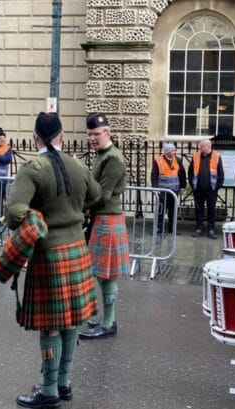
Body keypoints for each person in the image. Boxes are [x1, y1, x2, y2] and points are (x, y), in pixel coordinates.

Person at [4, 112, 101, 409]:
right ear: (60, 136)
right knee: (71, 320)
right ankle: (64, 382)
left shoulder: (33, 168)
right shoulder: (78, 164)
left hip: (49, 253)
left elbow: (13, 213)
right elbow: (95, 196)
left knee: (50, 325)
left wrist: (36, 218)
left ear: (36, 138)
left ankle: (48, 391)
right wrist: (73, 208)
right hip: (77, 250)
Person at [79, 112, 130, 340]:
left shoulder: (113, 158)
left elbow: (102, 195)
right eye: (89, 134)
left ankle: (108, 323)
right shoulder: (103, 155)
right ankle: (108, 319)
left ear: (107, 133)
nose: (92, 138)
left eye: (96, 134)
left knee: (106, 275)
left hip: (108, 219)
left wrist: (81, 206)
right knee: (102, 274)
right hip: (103, 218)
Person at [187, 138, 224, 239]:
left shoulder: (216, 156)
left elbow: (221, 173)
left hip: (211, 189)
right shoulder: (195, 156)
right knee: (199, 209)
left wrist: (216, 187)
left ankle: (211, 230)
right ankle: (199, 228)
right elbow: (190, 172)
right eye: (200, 146)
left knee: (211, 210)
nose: (200, 148)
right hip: (198, 189)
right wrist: (192, 184)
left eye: (201, 146)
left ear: (208, 146)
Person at [150, 143, 186, 235]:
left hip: (174, 190)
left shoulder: (177, 160)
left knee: (173, 211)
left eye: (174, 150)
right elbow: (154, 174)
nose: (174, 152)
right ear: (167, 152)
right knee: (161, 210)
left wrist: (182, 186)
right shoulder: (158, 160)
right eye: (172, 151)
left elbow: (182, 173)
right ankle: (159, 229)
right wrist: (155, 187)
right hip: (162, 190)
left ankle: (172, 229)